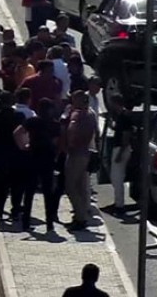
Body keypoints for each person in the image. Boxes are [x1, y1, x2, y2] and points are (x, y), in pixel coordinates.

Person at [14, 98, 60, 232]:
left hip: (33, 156)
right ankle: (49, 223)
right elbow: (56, 142)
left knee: (29, 191)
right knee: (48, 192)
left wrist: (23, 146)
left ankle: (26, 222)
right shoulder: (55, 124)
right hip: (48, 159)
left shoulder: (32, 121)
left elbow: (17, 132)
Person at [65, 90, 98, 231]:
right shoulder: (91, 114)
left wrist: (70, 145)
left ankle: (79, 217)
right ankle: (82, 214)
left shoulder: (77, 114)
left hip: (76, 153)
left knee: (70, 186)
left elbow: (71, 130)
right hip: (87, 152)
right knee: (82, 186)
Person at [0, 91, 25, 220]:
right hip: (16, 153)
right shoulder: (19, 116)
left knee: (0, 185)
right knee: (17, 184)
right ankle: (15, 211)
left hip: (0, 154)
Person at [108, 93, 134, 214]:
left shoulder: (124, 116)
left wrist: (120, 153)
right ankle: (118, 201)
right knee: (115, 177)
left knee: (117, 177)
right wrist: (112, 126)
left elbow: (126, 136)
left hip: (121, 148)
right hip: (119, 147)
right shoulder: (119, 116)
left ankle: (119, 205)